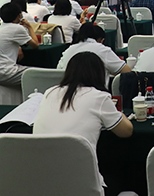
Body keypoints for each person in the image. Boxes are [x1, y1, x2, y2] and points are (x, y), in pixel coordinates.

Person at [33, 52, 133, 188]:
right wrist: (118, 112)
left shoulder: (50, 92)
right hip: (84, 185)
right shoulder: (99, 97)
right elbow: (126, 131)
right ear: (99, 74)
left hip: (42, 181)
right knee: (126, 181)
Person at [57, 23, 131, 85]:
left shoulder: (68, 50)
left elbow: (58, 73)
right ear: (100, 40)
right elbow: (127, 71)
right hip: (96, 94)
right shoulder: (102, 49)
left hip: (68, 94)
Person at [0, 3, 38, 89]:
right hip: (7, 72)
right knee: (41, 75)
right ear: (19, 16)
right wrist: (29, 27)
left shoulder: (1, 27)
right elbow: (35, 45)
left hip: (3, 70)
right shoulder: (17, 28)